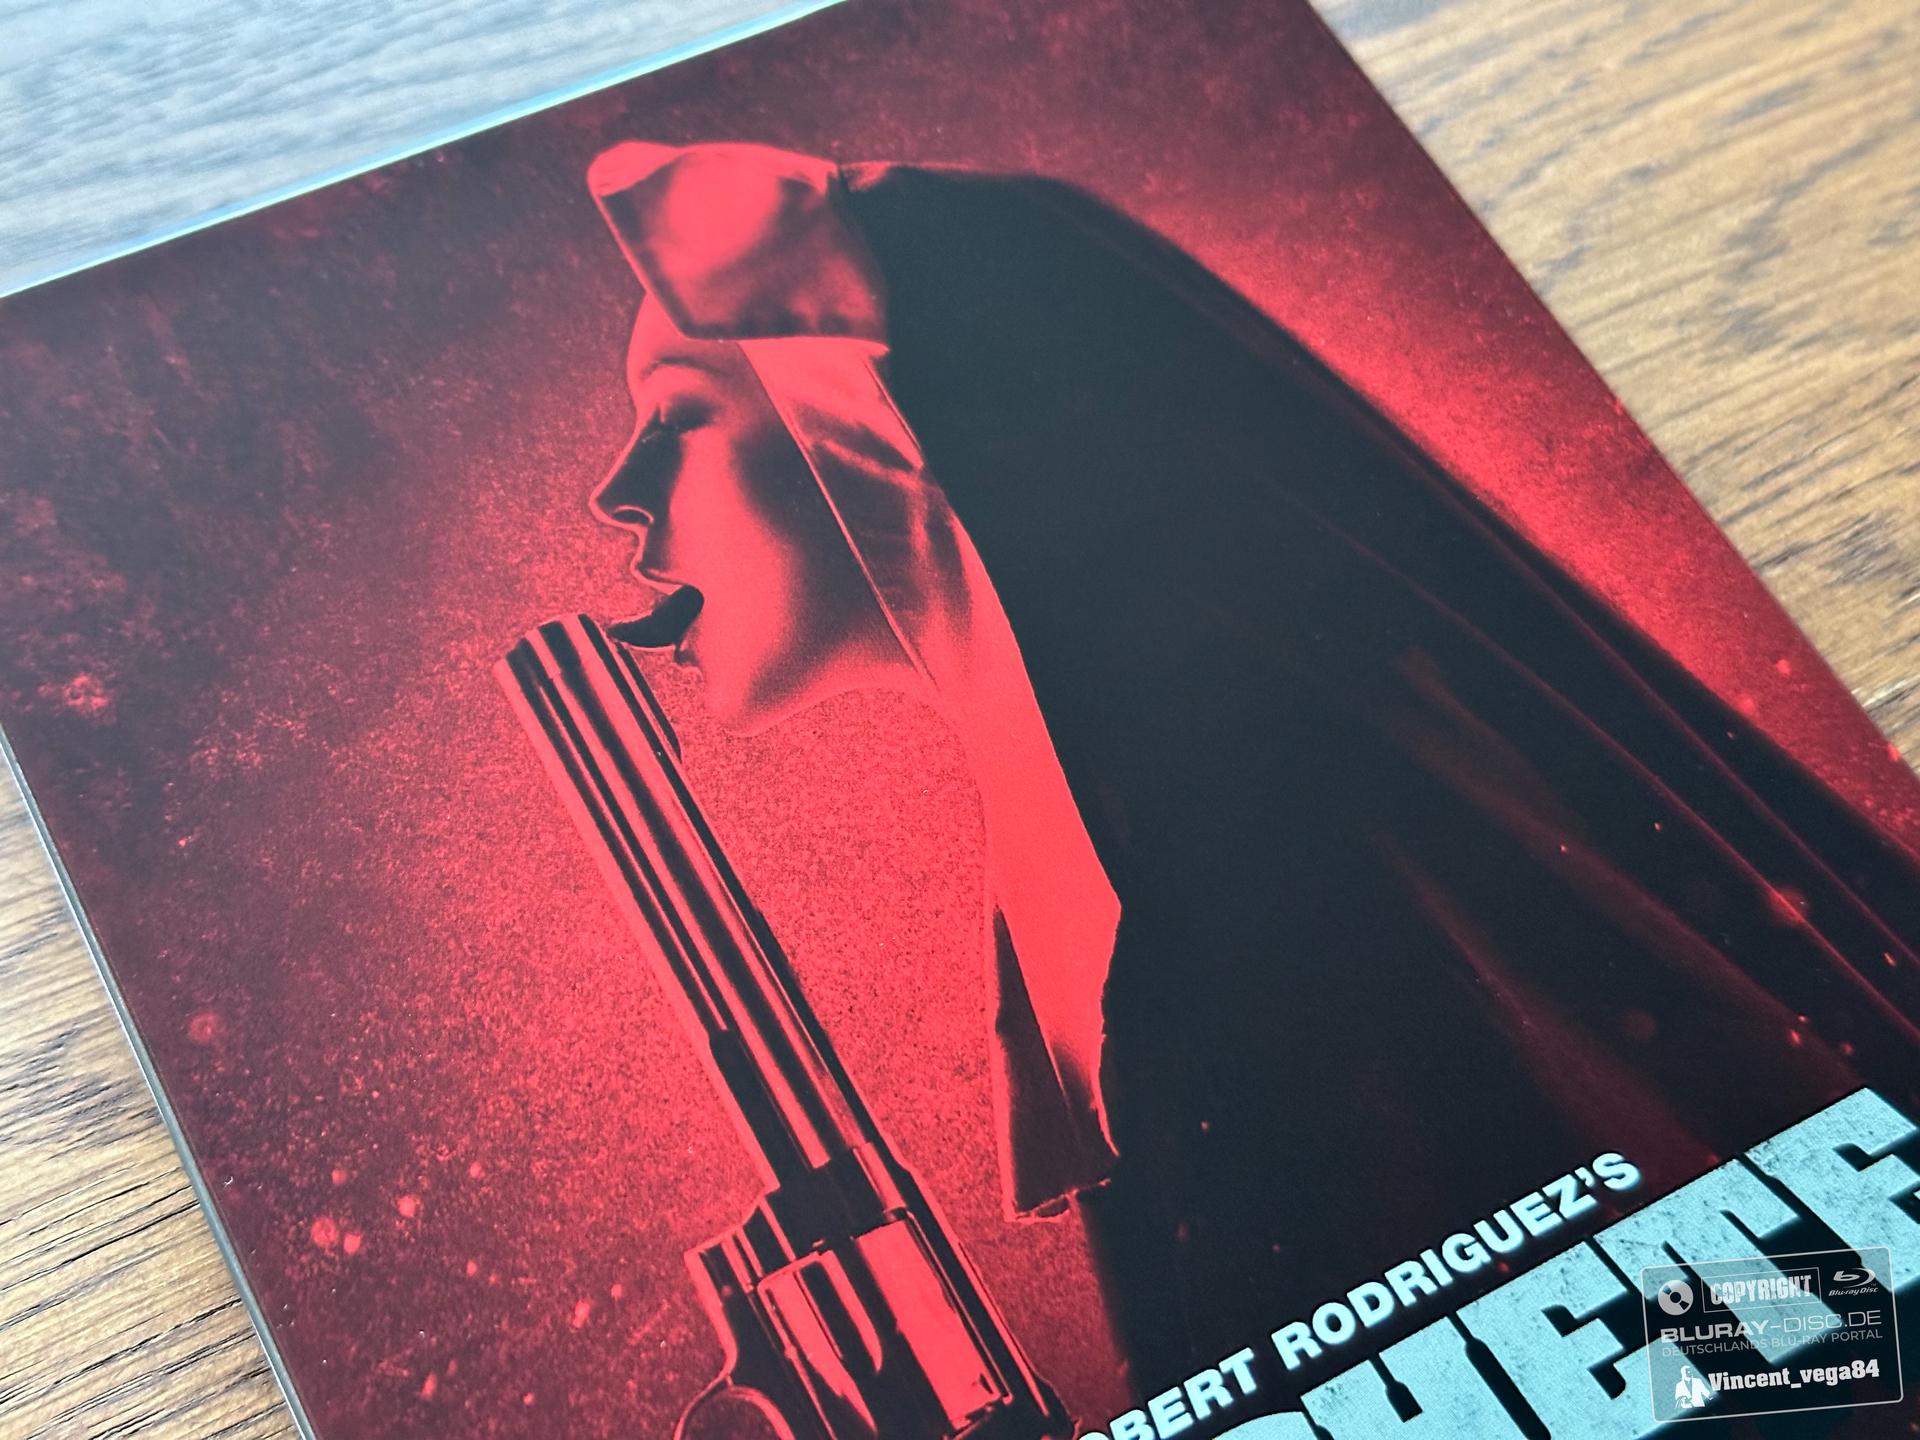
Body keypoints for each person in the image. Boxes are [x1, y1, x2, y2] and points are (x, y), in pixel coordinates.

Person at [581, 140, 1920, 1395]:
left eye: (679, 418)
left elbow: (1840, 1307)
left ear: (887, 440)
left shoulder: (1281, 850)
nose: (617, 493)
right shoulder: (1169, 866)